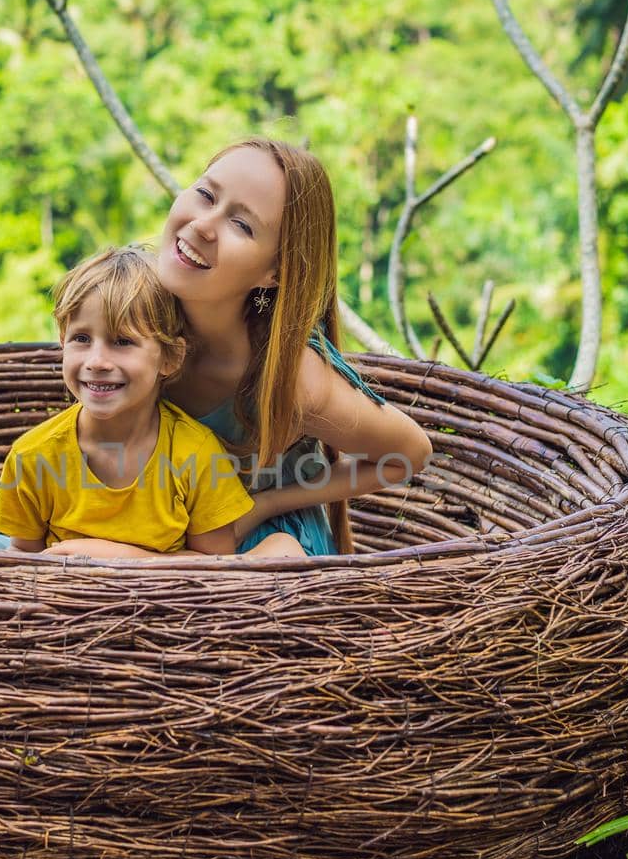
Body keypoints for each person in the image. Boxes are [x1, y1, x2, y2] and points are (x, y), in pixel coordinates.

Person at [57, 138, 433, 559]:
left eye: (242, 225)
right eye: (205, 195)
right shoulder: (136, 317)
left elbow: (410, 454)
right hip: (160, 528)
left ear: (273, 272)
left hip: (258, 555)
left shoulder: (289, 376)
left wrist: (264, 505)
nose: (203, 225)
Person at [0, 247, 295, 558]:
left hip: (162, 606)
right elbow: (21, 570)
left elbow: (216, 569)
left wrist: (109, 557)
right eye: (82, 339)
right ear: (63, 343)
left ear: (169, 357)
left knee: (283, 550)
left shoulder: (196, 452)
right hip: (62, 611)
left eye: (122, 342)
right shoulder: (34, 455)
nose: (97, 362)